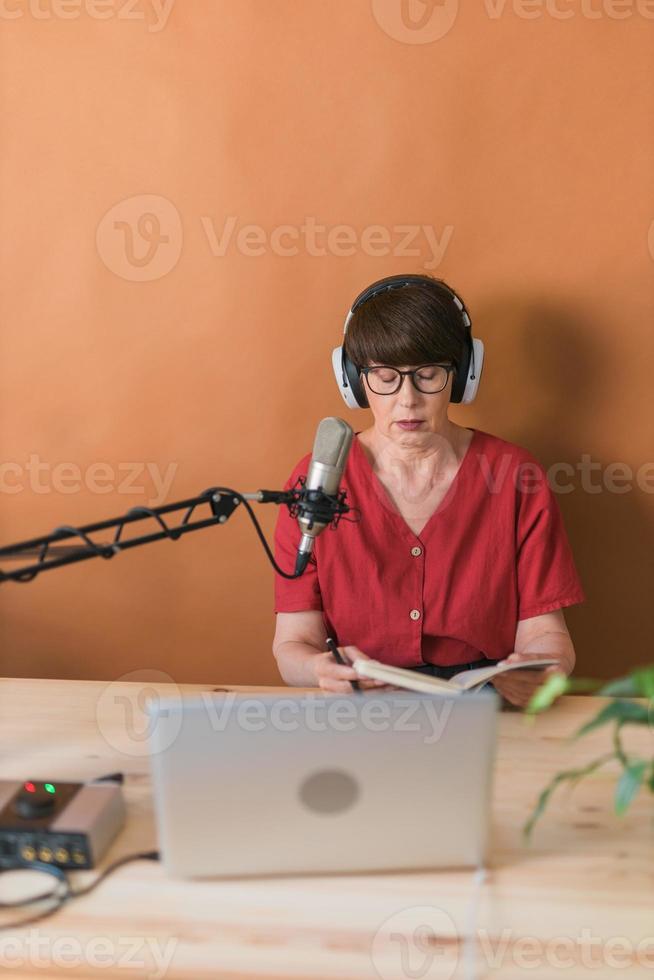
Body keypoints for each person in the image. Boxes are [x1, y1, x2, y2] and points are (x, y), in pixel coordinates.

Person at [272, 274, 585, 708]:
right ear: (353, 380)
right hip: (361, 708)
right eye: (384, 376)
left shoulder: (516, 475)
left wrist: (540, 672)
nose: (408, 399)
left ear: (461, 375)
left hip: (484, 705)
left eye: (428, 374)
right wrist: (319, 670)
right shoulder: (317, 479)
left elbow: (548, 635)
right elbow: (293, 645)